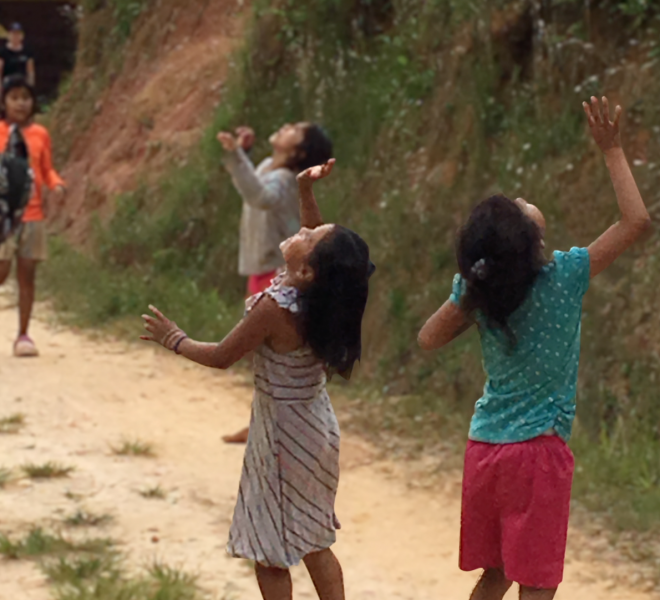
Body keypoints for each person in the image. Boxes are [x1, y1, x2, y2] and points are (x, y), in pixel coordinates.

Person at [418, 96, 651, 600]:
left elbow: (429, 338)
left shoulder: (480, 293)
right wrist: (611, 149)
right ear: (535, 241)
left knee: (496, 573)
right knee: (538, 583)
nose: (522, 200)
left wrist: (469, 291)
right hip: (537, 458)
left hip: (485, 450)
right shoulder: (563, 278)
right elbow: (636, 222)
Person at [141, 158, 374, 600]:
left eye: (308, 236)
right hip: (315, 427)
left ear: (307, 271)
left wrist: (175, 339)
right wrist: (306, 191)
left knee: (269, 550)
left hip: (283, 436)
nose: (304, 229)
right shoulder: (320, 297)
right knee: (314, 539)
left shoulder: (276, 309)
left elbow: (222, 356)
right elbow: (321, 249)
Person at [217, 121, 333, 444]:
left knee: (271, 350)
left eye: (295, 129)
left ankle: (276, 421)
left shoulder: (283, 180)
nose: (284, 126)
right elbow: (251, 182)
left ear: (299, 150)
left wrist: (236, 155)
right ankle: (264, 419)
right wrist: (243, 153)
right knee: (262, 351)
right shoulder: (271, 167)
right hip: (262, 267)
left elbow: (258, 195)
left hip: (276, 271)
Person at [0, 75, 66, 357]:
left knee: (27, 275)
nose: (20, 103)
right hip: (3, 215)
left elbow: (46, 168)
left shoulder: (40, 134)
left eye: (25, 98)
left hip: (33, 214)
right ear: (4, 101)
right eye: (14, 97)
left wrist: (56, 184)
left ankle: (23, 335)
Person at [0, 23, 35, 88]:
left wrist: (31, 86)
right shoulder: (2, 51)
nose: (15, 36)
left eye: (18, 34)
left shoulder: (27, 51)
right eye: (13, 34)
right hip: (8, 83)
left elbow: (30, 71)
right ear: (9, 35)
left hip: (22, 82)